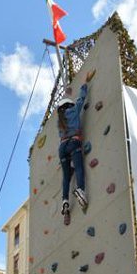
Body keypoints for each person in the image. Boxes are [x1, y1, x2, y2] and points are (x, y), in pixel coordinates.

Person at [57, 78, 90, 226]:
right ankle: (81, 190)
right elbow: (81, 99)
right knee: (78, 168)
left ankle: (65, 201)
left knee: (66, 176)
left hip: (62, 148)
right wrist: (85, 84)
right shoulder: (73, 110)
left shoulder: (60, 121)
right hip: (74, 142)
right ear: (69, 105)